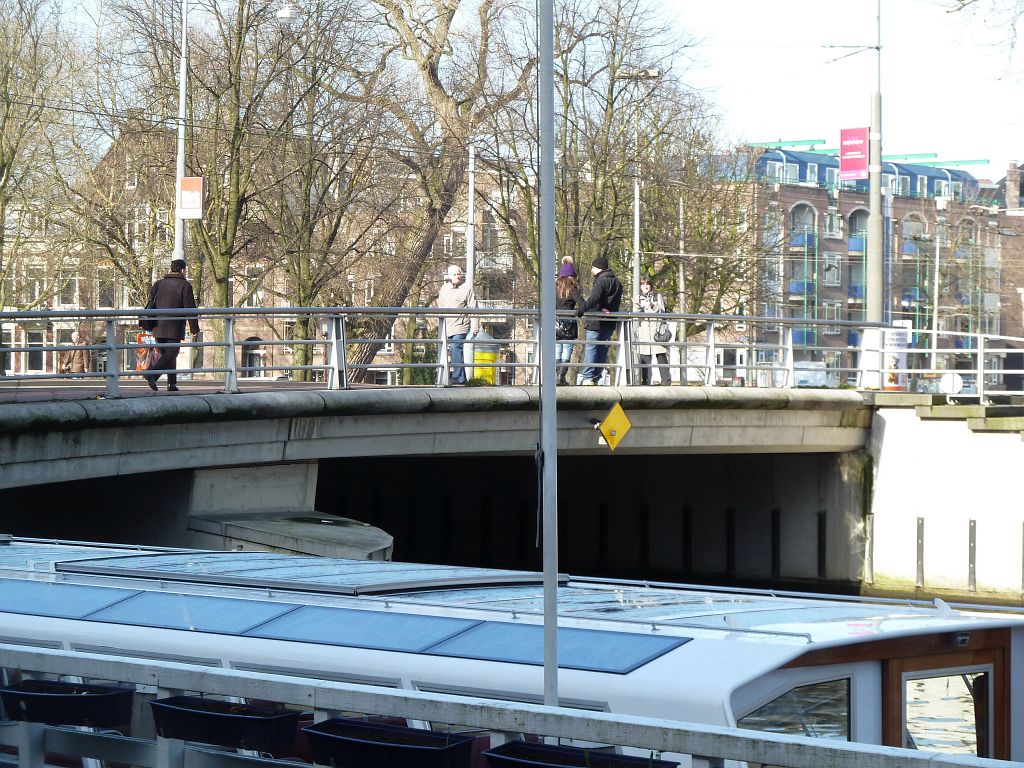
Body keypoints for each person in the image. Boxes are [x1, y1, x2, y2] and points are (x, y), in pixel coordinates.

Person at [144, 259, 200, 392]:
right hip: (174, 327)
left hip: (157, 326)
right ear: (182, 270)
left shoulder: (158, 284)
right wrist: (194, 328)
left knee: (167, 353)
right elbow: (190, 308)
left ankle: (172, 384)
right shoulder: (185, 285)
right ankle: (152, 374)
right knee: (172, 352)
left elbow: (150, 303)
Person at [576, 256, 623, 385]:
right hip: (610, 321)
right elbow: (612, 302)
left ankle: (588, 377)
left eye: (593, 267)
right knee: (603, 348)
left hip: (596, 321)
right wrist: (605, 308)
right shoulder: (617, 282)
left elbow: (594, 298)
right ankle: (596, 376)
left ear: (599, 268)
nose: (591, 270)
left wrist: (582, 309)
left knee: (592, 347)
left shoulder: (600, 281)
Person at [437, 264, 478, 385]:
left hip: (461, 325)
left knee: (456, 347)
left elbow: (473, 308)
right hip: (447, 325)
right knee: (451, 350)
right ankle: (462, 377)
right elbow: (440, 305)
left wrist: (475, 327)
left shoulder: (467, 289)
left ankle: (457, 377)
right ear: (449, 276)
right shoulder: (444, 289)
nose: (458, 276)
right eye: (455, 274)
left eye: (459, 274)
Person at [635, 276, 672, 385]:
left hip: (657, 330)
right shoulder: (638, 297)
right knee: (645, 356)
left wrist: (651, 305)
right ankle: (646, 381)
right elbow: (636, 315)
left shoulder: (657, 296)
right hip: (644, 331)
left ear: (651, 286)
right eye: (643, 284)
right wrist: (637, 307)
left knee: (661, 355)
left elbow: (661, 311)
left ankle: (666, 381)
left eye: (647, 284)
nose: (645, 286)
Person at [555, 256, 583, 385]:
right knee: (567, 348)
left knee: (557, 349)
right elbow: (582, 304)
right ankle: (561, 376)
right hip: (569, 322)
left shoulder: (554, 287)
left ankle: (557, 376)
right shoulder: (572, 288)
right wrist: (578, 312)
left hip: (555, 322)